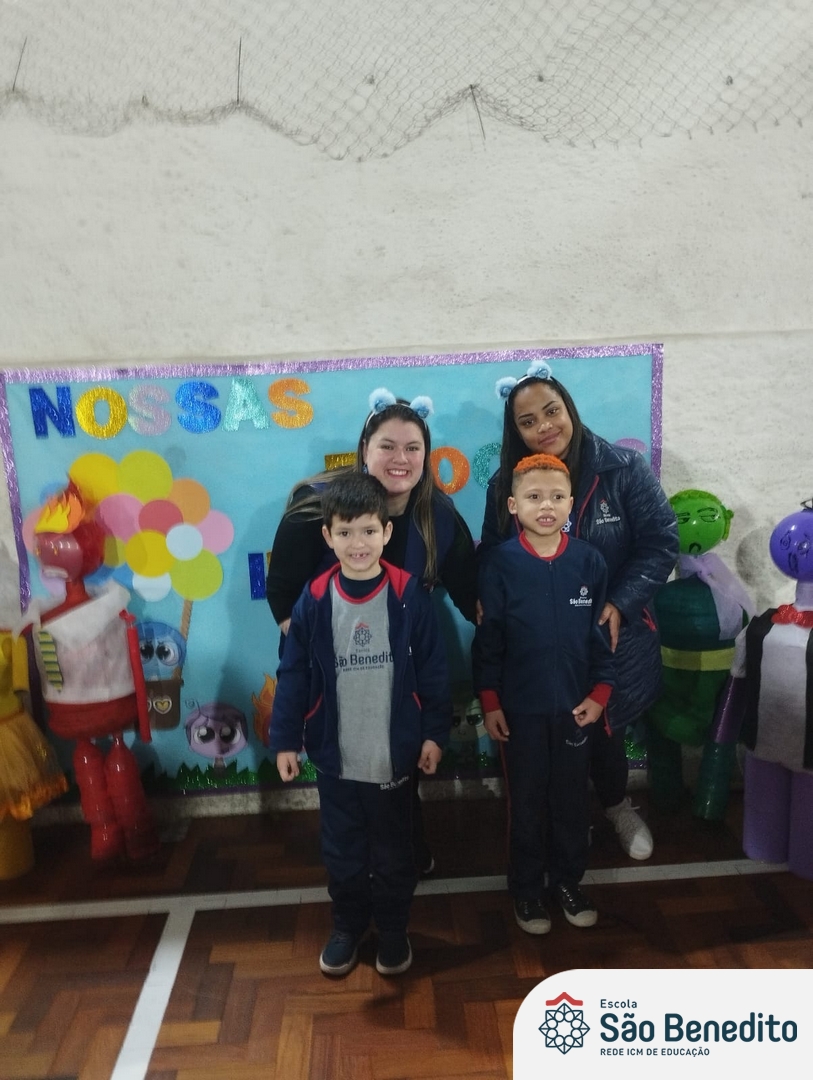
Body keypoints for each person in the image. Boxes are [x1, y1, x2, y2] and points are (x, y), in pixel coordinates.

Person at [267, 388, 478, 872]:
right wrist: (315, 651)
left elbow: (473, 593)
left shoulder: (439, 516)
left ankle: (402, 852)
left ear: (426, 455)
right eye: (388, 446)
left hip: (397, 676)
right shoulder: (315, 507)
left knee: (398, 771)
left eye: (412, 448)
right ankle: (352, 866)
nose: (400, 458)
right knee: (344, 779)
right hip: (334, 676)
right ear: (365, 449)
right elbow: (281, 592)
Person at [481, 360, 679, 860]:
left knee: (605, 730)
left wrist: (620, 602)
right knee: (545, 739)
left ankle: (616, 805)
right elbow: (492, 556)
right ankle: (565, 822)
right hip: (535, 650)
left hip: (609, 637)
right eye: (528, 421)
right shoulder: (504, 485)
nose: (544, 426)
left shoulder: (623, 469)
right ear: (516, 431)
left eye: (552, 411)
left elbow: (661, 542)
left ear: (569, 408)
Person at [269, 473, 452, 975]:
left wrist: (434, 734)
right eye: (345, 532)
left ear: (386, 532)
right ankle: (347, 927)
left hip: (393, 758)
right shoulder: (313, 599)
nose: (358, 543)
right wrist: (285, 740)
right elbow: (293, 673)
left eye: (369, 530)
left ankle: (392, 930)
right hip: (337, 761)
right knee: (343, 853)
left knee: (393, 856)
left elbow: (434, 671)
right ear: (327, 536)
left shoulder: (409, 595)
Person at [473, 454, 614, 931]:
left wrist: (600, 693)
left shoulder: (589, 562)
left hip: (576, 711)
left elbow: (600, 637)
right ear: (514, 505)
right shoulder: (500, 564)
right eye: (534, 497)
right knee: (527, 804)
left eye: (556, 497)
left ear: (571, 503)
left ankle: (568, 882)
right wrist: (491, 701)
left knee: (572, 800)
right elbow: (488, 641)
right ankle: (528, 890)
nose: (546, 506)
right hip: (521, 714)